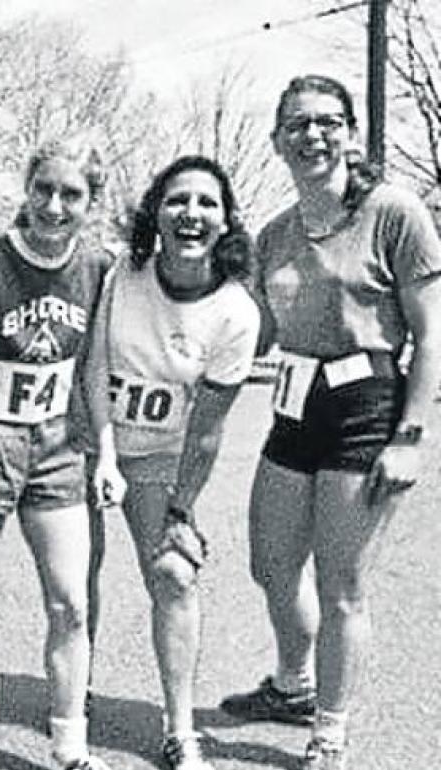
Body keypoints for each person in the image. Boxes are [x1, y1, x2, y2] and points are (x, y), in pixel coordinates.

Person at [218, 74, 441, 770]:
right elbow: (250, 330)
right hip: (293, 403)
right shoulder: (274, 234)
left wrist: (411, 435)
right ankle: (293, 684)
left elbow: (431, 333)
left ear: (349, 131)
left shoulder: (393, 211)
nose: (313, 135)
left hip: (365, 406)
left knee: (342, 583)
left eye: (328, 121)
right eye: (298, 125)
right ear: (279, 141)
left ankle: (330, 730)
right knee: (271, 563)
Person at [86, 156, 261, 770]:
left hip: (160, 457)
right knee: (75, 578)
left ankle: (181, 727)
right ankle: (70, 703)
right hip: (88, 441)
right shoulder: (121, 273)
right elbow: (90, 363)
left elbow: (208, 431)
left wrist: (181, 512)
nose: (191, 214)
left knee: (174, 575)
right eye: (177, 200)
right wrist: (101, 451)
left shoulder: (237, 314)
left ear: (226, 221)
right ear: (155, 213)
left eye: (207, 203)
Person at [0, 137, 115, 770]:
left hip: (58, 447)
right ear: (27, 191)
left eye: (71, 195)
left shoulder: (99, 267)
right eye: (44, 190)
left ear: (91, 202)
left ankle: (70, 742)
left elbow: (93, 371)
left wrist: (104, 454)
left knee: (71, 601)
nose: (54, 206)